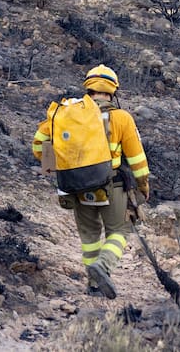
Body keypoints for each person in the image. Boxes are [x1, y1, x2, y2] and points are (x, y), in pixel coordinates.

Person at [32, 64, 150, 299]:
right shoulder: (121, 118)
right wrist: (143, 185)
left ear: (88, 87)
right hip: (112, 185)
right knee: (119, 230)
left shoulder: (67, 113)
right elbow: (137, 159)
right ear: (113, 91)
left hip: (75, 185)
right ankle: (103, 267)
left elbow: (38, 147)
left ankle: (93, 285)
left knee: (89, 236)